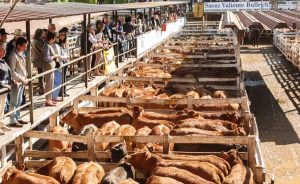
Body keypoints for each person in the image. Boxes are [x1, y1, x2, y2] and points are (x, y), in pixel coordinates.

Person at [8, 37, 29, 127]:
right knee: (14, 101)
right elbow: (12, 72)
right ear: (18, 45)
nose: (25, 48)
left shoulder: (21, 53)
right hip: (16, 82)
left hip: (21, 81)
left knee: (19, 100)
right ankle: (13, 120)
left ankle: (17, 117)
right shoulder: (13, 55)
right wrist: (21, 78)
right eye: (24, 46)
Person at [43, 32, 59, 107]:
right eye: (54, 38)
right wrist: (54, 56)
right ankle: (48, 100)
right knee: (49, 84)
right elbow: (46, 58)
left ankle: (49, 100)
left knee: (51, 84)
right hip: (48, 67)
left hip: (50, 67)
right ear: (52, 38)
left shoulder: (48, 45)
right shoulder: (46, 46)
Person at [0, 43, 12, 135]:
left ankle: (1, 124)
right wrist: (3, 85)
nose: (4, 52)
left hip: (4, 88)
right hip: (1, 88)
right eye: (2, 50)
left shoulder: (3, 61)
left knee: (2, 107)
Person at [31, 29, 46, 95]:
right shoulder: (38, 42)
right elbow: (44, 49)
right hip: (40, 60)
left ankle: (42, 88)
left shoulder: (35, 41)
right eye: (43, 33)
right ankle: (42, 89)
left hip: (37, 60)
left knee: (41, 75)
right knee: (41, 75)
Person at [57, 27, 70, 97]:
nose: (62, 36)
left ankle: (64, 91)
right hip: (61, 62)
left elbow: (67, 51)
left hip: (66, 61)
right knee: (61, 77)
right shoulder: (58, 44)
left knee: (64, 77)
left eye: (63, 35)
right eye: (61, 35)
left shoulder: (65, 43)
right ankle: (61, 92)